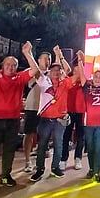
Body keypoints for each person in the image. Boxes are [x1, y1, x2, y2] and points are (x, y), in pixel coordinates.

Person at [0, 42, 38, 191]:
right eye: (8, 64)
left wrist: (28, 53)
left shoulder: (19, 78)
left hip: (12, 121)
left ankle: (5, 175)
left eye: (14, 65)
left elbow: (34, 70)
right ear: (2, 65)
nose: (10, 67)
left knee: (9, 150)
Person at [30, 45, 73, 182]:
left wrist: (59, 55)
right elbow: (35, 71)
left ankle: (55, 168)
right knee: (42, 145)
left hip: (60, 120)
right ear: (49, 72)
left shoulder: (65, 83)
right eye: (53, 70)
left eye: (58, 70)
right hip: (45, 119)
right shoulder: (44, 81)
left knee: (58, 144)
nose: (56, 72)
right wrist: (28, 54)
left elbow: (68, 70)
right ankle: (40, 169)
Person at [78, 51, 100, 183]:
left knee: (99, 147)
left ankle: (97, 172)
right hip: (88, 123)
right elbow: (82, 74)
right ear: (93, 77)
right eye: (96, 76)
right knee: (91, 148)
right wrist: (80, 61)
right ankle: (92, 169)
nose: (98, 79)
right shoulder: (87, 86)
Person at [23, 51, 52, 172]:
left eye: (49, 59)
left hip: (45, 109)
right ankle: (27, 161)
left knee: (44, 136)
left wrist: (59, 54)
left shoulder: (52, 73)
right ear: (38, 60)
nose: (47, 61)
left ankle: (39, 162)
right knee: (29, 134)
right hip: (32, 107)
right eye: (45, 58)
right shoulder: (30, 71)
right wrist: (28, 53)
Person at [60, 63, 85, 171]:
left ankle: (78, 158)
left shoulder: (85, 83)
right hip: (69, 112)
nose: (77, 73)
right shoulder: (67, 81)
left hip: (81, 113)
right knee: (66, 136)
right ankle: (63, 159)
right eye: (75, 71)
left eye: (79, 71)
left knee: (80, 137)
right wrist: (59, 55)